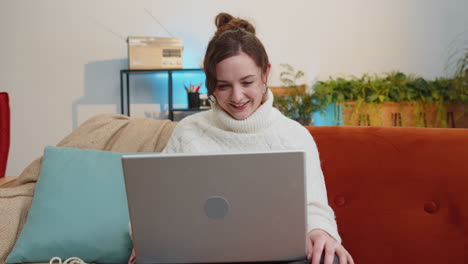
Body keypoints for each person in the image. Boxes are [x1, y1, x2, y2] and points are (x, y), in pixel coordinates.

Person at [128, 12, 354, 264]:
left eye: (247, 82)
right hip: (204, 254)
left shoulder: (294, 135)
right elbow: (156, 205)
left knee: (330, 260)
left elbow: (315, 207)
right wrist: (148, 237)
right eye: (223, 86)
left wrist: (321, 232)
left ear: (265, 74)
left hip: (278, 256)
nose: (237, 97)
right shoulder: (188, 131)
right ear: (210, 83)